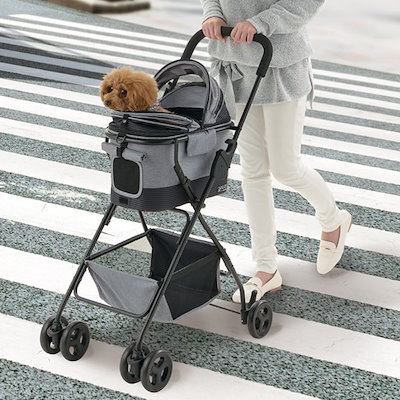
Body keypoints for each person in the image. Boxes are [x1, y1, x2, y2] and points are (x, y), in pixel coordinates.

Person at [200, 0, 353, 303]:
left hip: (280, 65)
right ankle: (266, 268)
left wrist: (260, 23)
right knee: (253, 171)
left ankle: (333, 220)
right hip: (235, 66)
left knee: (286, 167)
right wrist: (213, 13)